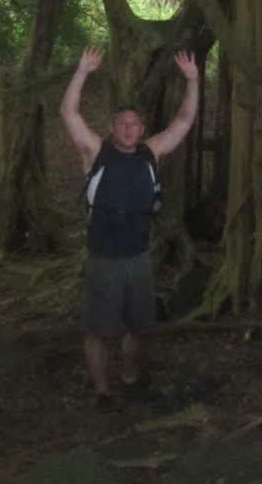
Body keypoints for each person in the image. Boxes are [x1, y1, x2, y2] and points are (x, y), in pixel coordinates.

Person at [60, 45, 200, 407]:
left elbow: (183, 122)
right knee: (98, 331)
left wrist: (193, 80)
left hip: (139, 257)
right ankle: (102, 392)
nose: (127, 128)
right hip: (103, 257)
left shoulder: (151, 152)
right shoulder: (96, 152)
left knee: (140, 328)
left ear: (142, 129)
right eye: (121, 123)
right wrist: (82, 72)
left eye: (134, 124)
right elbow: (69, 113)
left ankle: (131, 376)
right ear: (111, 127)